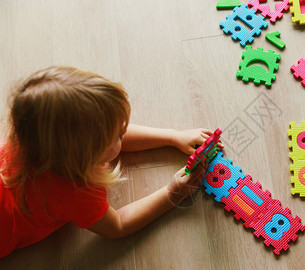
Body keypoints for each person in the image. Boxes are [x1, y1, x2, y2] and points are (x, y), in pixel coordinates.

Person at [0, 66, 221, 258]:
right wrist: (173, 193)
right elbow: (117, 225)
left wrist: (172, 137)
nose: (123, 134)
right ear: (87, 158)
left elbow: (107, 134)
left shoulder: (32, 136)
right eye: (118, 136)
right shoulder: (77, 192)